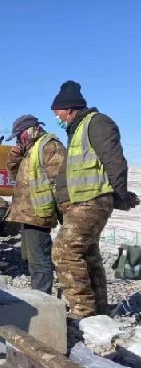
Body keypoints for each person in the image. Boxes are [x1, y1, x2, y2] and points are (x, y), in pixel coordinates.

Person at [51, 80, 136, 319]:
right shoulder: (77, 130)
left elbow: (115, 160)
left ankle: (82, 312)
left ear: (69, 109)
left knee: (64, 252)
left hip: (91, 201)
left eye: (57, 113)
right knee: (88, 255)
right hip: (82, 202)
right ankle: (97, 311)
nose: (57, 118)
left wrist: (120, 195)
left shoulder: (97, 123)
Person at [5, 114, 65, 294]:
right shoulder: (30, 150)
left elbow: (61, 182)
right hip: (27, 213)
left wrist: (64, 214)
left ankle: (42, 300)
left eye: (19, 135)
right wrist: (15, 154)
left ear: (32, 130)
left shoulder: (49, 146)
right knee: (31, 258)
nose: (17, 140)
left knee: (39, 259)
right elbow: (15, 175)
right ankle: (37, 294)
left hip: (39, 213)